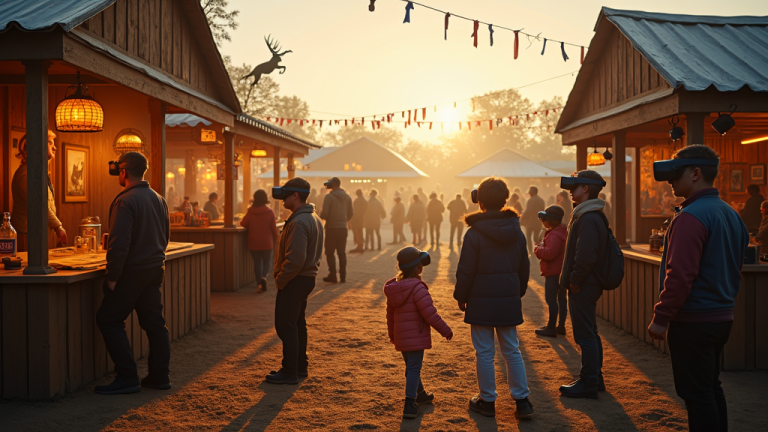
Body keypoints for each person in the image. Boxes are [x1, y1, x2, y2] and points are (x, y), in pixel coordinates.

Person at [647, 146, 749, 432]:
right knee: (710, 388)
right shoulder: (731, 214)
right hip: (721, 316)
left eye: (676, 173)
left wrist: (661, 317)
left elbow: (680, 275)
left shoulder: (690, 217)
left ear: (695, 173)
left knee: (697, 395)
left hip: (693, 321)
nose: (671, 180)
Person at [453, 176, 534, 419]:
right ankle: (522, 401)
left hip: (480, 298)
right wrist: (516, 292)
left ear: (480, 202)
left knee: (484, 352)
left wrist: (461, 295)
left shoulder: (473, 234)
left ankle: (487, 401)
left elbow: (466, 270)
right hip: (508, 296)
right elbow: (524, 266)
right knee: (512, 349)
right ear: (504, 200)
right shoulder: (516, 231)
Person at [95, 152, 171, 395]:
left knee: (108, 319)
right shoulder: (158, 198)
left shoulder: (125, 200)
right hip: (155, 269)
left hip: (132, 271)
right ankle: (159, 376)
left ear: (123, 171)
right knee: (155, 325)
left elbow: (119, 243)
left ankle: (127, 376)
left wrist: (112, 276)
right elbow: (166, 236)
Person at [266, 177, 324, 385]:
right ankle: (299, 366)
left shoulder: (299, 221)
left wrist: (281, 279)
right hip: (306, 278)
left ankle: (290, 370)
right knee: (298, 324)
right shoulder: (313, 217)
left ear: (296, 196)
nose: (283, 199)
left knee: (286, 326)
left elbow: (296, 259)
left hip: (295, 279)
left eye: (286, 195)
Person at [385, 247, 453, 419]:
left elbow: (390, 316)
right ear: (419, 268)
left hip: (402, 336)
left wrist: (393, 335)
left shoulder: (394, 289)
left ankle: (420, 394)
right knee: (414, 369)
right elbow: (430, 314)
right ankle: (410, 404)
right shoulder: (417, 288)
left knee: (411, 367)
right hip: (415, 335)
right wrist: (445, 330)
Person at [558, 170, 609, 399]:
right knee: (591, 332)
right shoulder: (592, 214)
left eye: (575, 186)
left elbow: (585, 256)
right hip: (589, 282)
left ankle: (589, 382)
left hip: (584, 284)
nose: (570, 191)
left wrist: (575, 280)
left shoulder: (587, 217)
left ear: (586, 188)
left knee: (585, 335)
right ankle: (595, 378)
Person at [11, 132, 67, 252]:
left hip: (39, 232)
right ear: (37, 146)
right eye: (50, 143)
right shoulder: (27, 175)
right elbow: (40, 205)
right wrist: (58, 227)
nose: (55, 147)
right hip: (28, 235)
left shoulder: (37, 172)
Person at [533, 205, 568, 338]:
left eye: (544, 220)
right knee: (562, 299)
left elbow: (551, 253)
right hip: (561, 271)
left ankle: (551, 327)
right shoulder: (562, 232)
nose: (543, 222)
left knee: (551, 299)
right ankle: (561, 326)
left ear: (550, 220)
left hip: (553, 272)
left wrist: (538, 249)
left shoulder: (554, 235)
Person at [240, 189, 278, 293]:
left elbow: (243, 223)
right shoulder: (270, 212)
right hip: (266, 242)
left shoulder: (251, 211)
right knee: (267, 261)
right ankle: (264, 277)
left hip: (253, 242)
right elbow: (274, 230)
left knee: (257, 263)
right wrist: (276, 239)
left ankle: (259, 284)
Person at [320, 177, 353, 283]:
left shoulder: (329, 197)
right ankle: (343, 276)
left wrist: (321, 216)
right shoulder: (347, 197)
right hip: (343, 228)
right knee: (341, 252)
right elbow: (351, 213)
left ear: (333, 184)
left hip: (331, 228)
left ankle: (332, 275)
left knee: (329, 252)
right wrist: (344, 220)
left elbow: (325, 214)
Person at [520, 186, 546, 254]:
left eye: (530, 191)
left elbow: (528, 211)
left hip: (530, 222)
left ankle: (531, 251)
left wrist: (522, 220)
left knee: (528, 237)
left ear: (533, 192)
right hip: (538, 222)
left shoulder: (530, 200)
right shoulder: (541, 200)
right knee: (536, 238)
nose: (529, 192)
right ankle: (538, 250)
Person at [350, 189, 368, 253]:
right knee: (360, 232)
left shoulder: (356, 201)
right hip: (362, 218)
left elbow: (353, 210)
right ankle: (360, 246)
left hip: (357, 218)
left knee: (358, 232)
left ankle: (360, 246)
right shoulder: (365, 201)